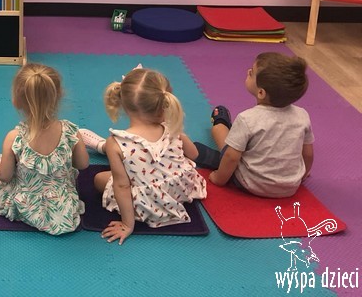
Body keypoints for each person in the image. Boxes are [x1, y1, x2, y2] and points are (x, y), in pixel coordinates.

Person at [82, 67, 206, 244]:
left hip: (150, 204)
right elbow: (194, 154)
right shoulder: (171, 127)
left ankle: (103, 147)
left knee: (99, 179)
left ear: (124, 104)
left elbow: (122, 186)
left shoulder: (115, 142)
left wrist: (127, 225)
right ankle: (105, 148)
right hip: (180, 190)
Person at [0, 63, 89, 235]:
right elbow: (82, 164)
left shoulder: (14, 137)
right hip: (62, 209)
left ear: (16, 101)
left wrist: (0, 171)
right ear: (59, 95)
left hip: (27, 206)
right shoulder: (72, 132)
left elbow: (5, 176)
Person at [193, 52, 313, 198]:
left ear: (261, 92)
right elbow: (308, 154)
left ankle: (220, 122)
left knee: (217, 136)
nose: (247, 71)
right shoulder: (302, 115)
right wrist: (301, 176)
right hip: (290, 187)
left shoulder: (247, 119)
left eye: (251, 72)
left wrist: (219, 179)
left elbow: (231, 157)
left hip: (251, 184)